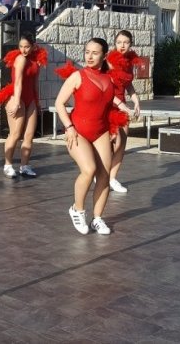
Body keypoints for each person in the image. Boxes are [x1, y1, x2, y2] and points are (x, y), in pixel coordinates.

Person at [54, 38, 131, 236]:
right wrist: (69, 127)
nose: (89, 56)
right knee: (89, 170)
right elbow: (59, 103)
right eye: (87, 51)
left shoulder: (109, 79)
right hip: (77, 131)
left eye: (95, 53)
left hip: (101, 132)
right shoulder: (77, 76)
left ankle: (97, 218)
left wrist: (123, 108)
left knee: (104, 176)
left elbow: (108, 98)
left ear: (104, 56)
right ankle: (77, 209)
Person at [0, 33, 47, 178]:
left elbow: (35, 83)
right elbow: (18, 82)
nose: (23, 50)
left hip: (30, 98)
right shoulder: (20, 59)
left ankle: (25, 166)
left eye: (27, 47)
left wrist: (37, 102)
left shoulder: (36, 60)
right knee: (15, 133)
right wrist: (16, 102)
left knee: (29, 135)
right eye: (21, 46)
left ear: (33, 46)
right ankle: (7, 165)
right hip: (16, 96)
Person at [106, 30, 142, 193]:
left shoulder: (129, 63)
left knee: (122, 143)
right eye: (119, 42)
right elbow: (106, 88)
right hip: (109, 104)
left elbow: (128, 84)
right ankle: (102, 173)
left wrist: (136, 101)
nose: (122, 45)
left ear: (130, 44)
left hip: (122, 104)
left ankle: (112, 178)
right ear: (115, 43)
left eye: (126, 42)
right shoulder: (109, 61)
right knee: (114, 141)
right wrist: (121, 105)